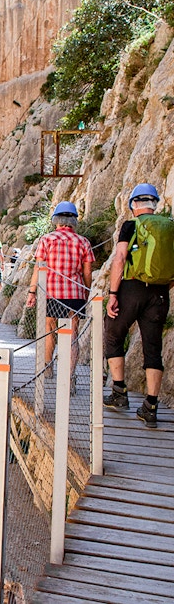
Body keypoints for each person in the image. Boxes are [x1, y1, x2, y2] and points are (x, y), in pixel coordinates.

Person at [104, 183, 174, 428]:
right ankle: (151, 407)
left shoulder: (131, 225)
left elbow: (120, 258)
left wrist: (113, 294)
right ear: (155, 204)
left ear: (134, 204)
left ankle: (119, 392)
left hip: (131, 288)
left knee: (113, 334)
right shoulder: (169, 226)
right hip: (160, 294)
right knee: (153, 348)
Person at [26, 201, 95, 382]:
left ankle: (47, 369)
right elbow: (87, 272)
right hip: (75, 294)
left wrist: (32, 292)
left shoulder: (47, 240)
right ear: (73, 221)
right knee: (73, 334)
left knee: (49, 330)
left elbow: (39, 268)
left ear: (56, 220)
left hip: (51, 293)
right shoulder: (83, 242)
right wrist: (85, 292)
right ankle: (70, 376)